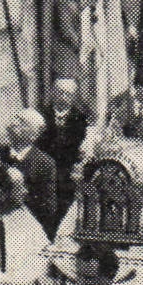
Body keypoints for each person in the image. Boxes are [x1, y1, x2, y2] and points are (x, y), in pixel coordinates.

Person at [39, 78, 90, 220]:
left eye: (68, 94)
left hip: (67, 171)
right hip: (44, 170)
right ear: (53, 93)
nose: (63, 97)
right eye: (60, 92)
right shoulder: (42, 115)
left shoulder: (80, 118)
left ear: (74, 96)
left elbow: (79, 144)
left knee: (64, 210)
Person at [3, 110, 60, 235]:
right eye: (15, 118)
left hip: (26, 230)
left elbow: (48, 207)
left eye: (22, 122)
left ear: (34, 134)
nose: (14, 123)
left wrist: (19, 198)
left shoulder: (44, 163)